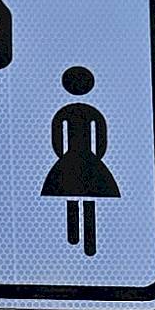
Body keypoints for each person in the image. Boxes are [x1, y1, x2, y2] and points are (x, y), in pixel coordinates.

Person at [41, 66, 119, 258]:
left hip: (73, 158)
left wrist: (64, 156)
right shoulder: (86, 112)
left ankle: (82, 240)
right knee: (80, 199)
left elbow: (58, 140)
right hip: (84, 158)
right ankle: (77, 239)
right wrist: (94, 157)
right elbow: (100, 141)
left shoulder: (69, 112)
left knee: (79, 198)